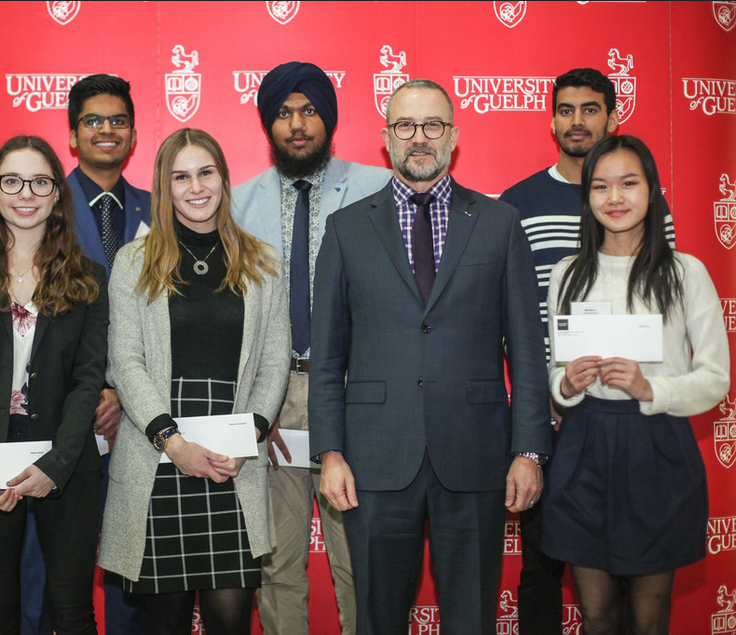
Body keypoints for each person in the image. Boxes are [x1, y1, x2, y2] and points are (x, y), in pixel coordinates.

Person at [308, 79, 551, 635]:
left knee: (471, 617)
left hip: (476, 455)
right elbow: (327, 359)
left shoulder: (499, 223)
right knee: (378, 619)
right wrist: (330, 452)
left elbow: (528, 351)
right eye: (405, 126)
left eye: (433, 125)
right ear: (386, 138)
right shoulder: (345, 230)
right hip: (373, 460)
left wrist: (530, 451)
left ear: (454, 135)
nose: (420, 138)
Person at [499, 67, 675, 635]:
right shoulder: (517, 204)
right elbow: (507, 315)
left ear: (613, 117)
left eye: (591, 109)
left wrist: (639, 387)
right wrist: (544, 393)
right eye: (568, 110)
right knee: (543, 564)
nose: (579, 121)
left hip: (629, 414)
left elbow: (661, 306)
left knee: (631, 568)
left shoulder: (648, 201)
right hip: (551, 415)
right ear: (552, 121)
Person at [98, 128, 290, 635]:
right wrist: (172, 441)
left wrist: (252, 432)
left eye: (206, 172)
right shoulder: (133, 262)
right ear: (164, 187)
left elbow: (274, 363)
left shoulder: (264, 263)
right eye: (180, 176)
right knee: (165, 621)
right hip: (157, 459)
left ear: (225, 180)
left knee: (231, 621)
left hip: (234, 462)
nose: (196, 186)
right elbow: (125, 361)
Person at [542, 134, 729, 635]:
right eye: (600, 187)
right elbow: (555, 375)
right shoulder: (568, 273)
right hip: (583, 446)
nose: (615, 198)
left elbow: (715, 377)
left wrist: (653, 390)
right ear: (587, 198)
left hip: (658, 446)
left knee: (650, 619)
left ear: (652, 191)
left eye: (629, 183)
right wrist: (567, 384)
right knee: (597, 616)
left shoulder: (685, 273)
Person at [232, 60, 390, 635]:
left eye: (309, 111)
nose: (297, 125)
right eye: (282, 113)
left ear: (330, 117)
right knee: (275, 564)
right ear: (267, 125)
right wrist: (254, 406)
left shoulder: (377, 189)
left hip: (353, 397)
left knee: (359, 564)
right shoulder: (234, 203)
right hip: (269, 403)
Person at [0, 135, 108, 635]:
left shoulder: (89, 280)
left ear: (58, 193)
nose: (25, 193)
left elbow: (86, 382)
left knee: (73, 611)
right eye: (12, 180)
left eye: (40, 181)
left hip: (67, 463)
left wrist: (55, 465)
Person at [65, 72, 152, 635]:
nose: (106, 130)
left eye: (117, 120)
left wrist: (127, 392)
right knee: (53, 576)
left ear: (134, 134)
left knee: (134, 572)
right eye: (93, 120)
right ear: (73, 135)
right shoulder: (42, 203)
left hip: (143, 420)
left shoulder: (162, 208)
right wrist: (92, 390)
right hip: (65, 419)